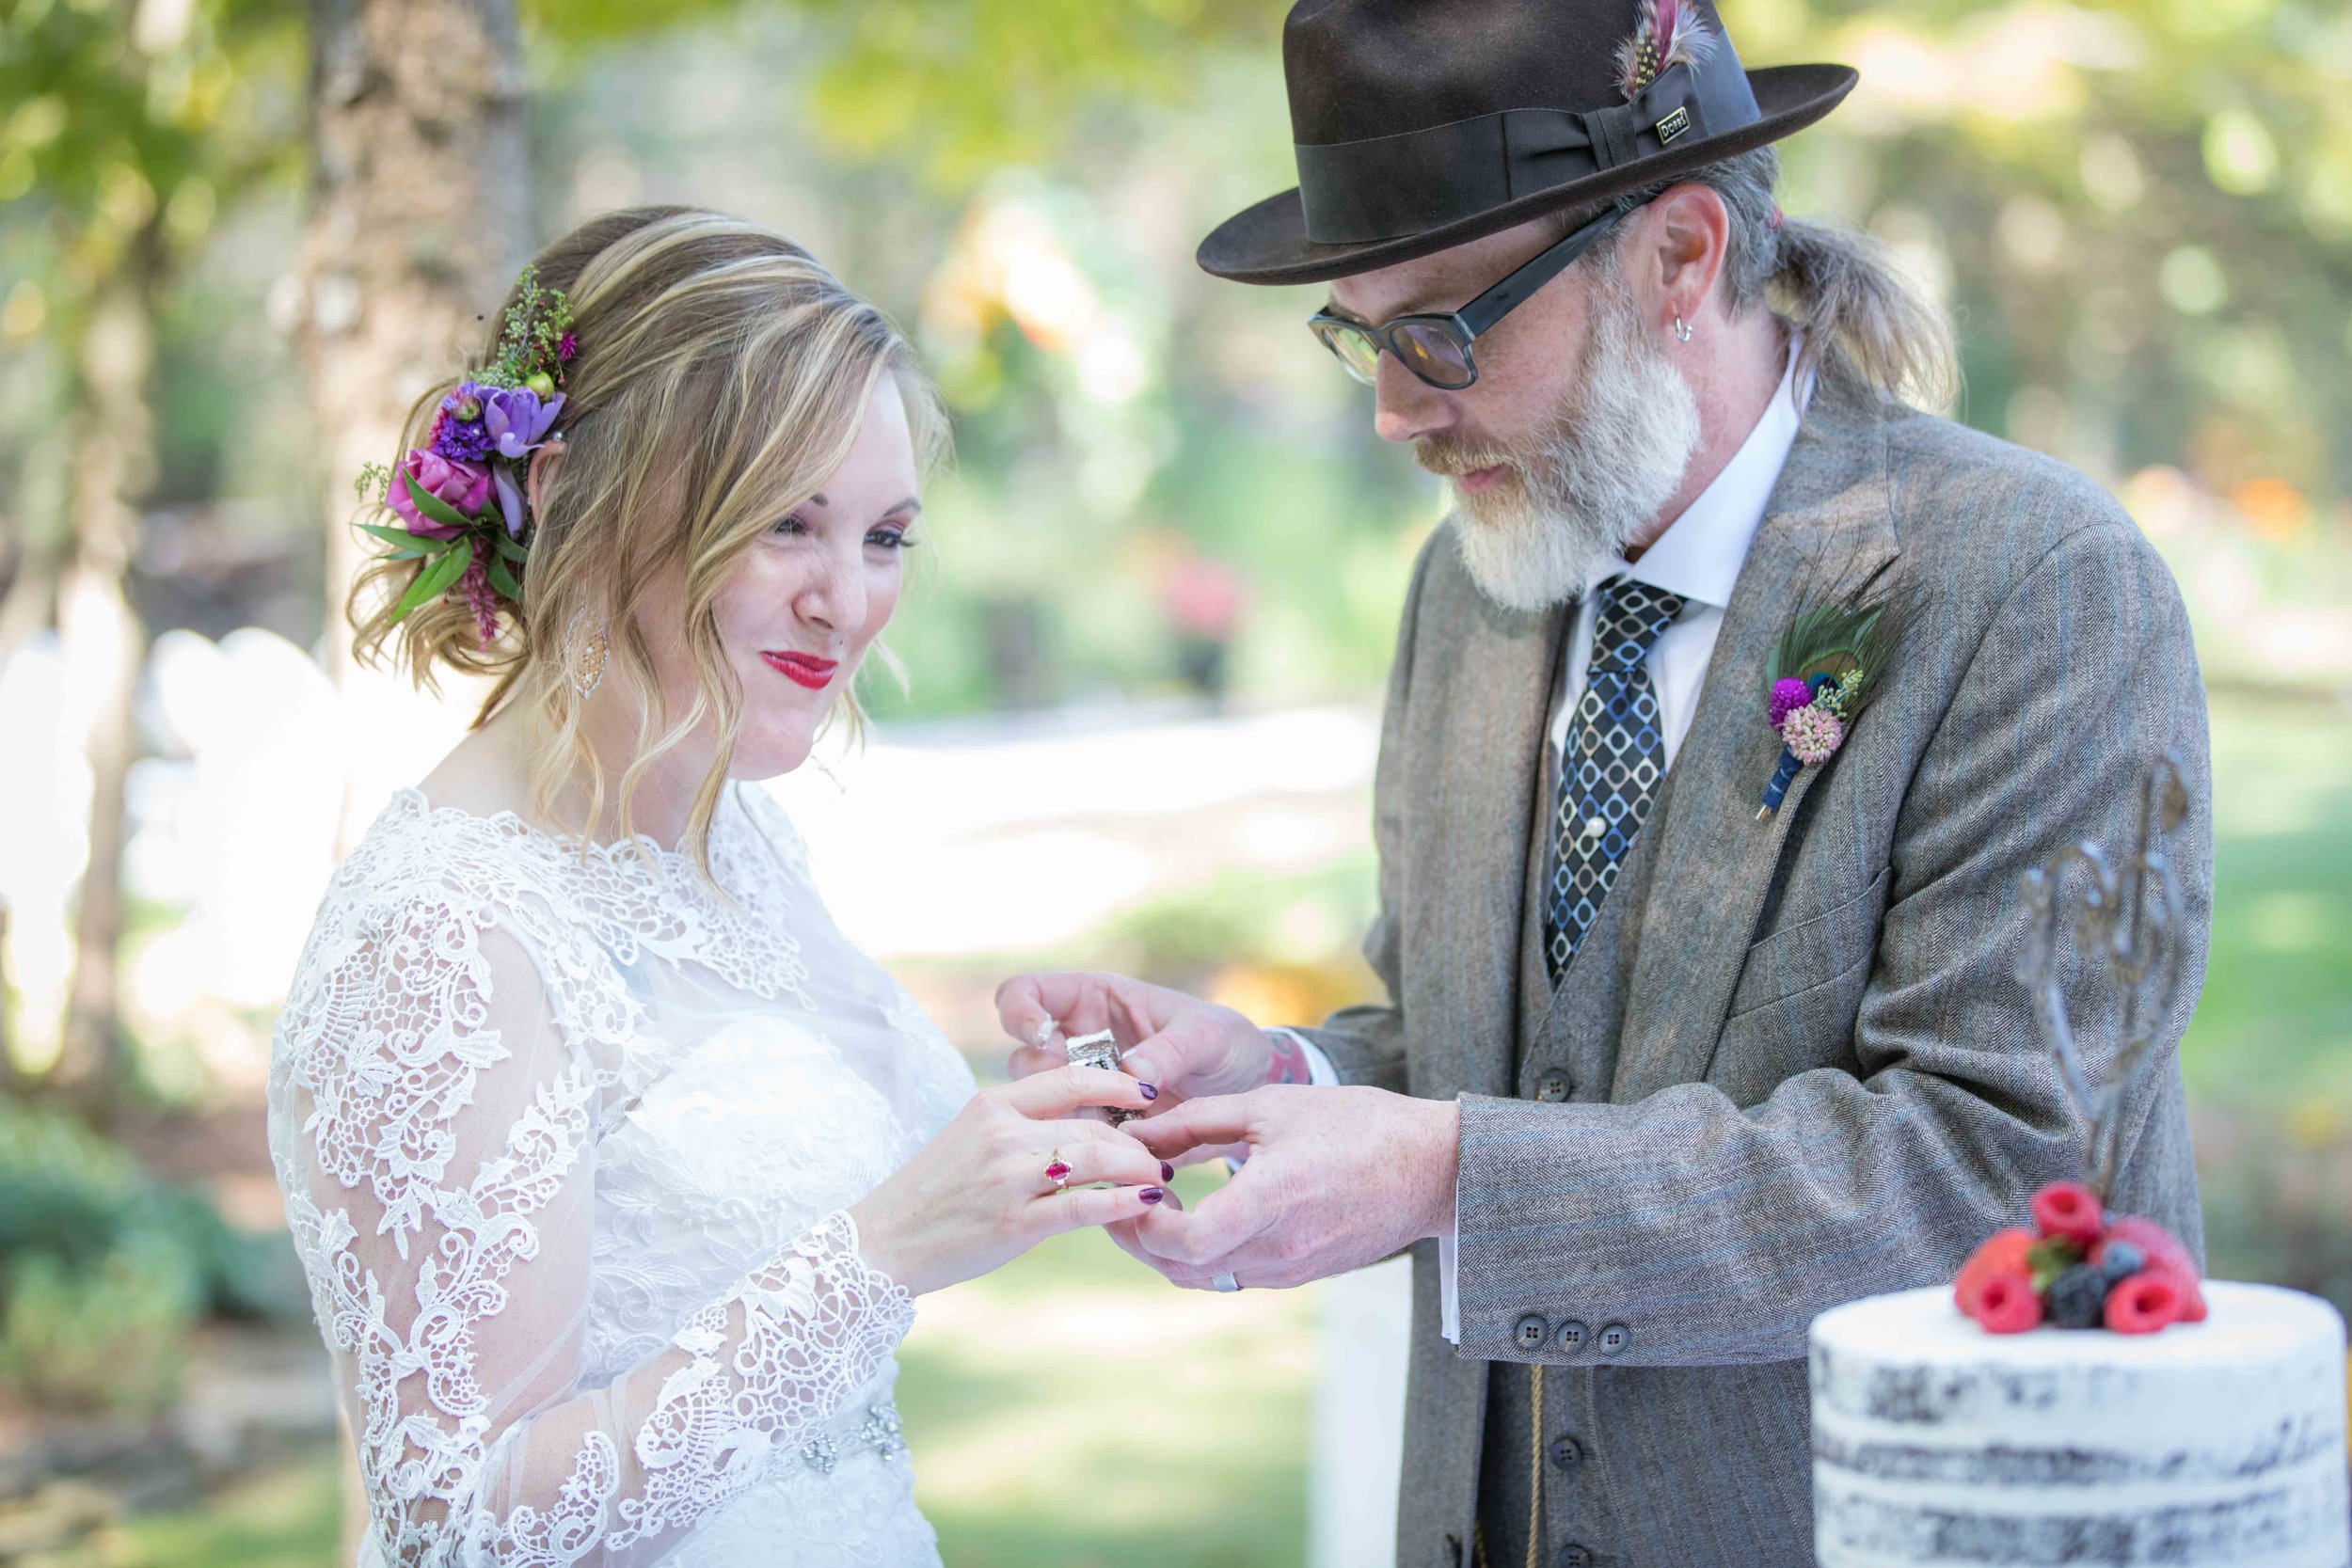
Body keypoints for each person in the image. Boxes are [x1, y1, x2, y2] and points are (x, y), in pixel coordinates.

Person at [998, 2, 2212, 1564]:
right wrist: (1288, 1079)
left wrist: (1445, 1172)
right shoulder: (1475, 587)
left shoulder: (2037, 585)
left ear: (1682, 258)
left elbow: (2001, 1175)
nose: (1394, 408)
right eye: (1363, 335)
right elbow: (1503, 1059)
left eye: (1442, 329)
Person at [266, 206, 1170, 1567]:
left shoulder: (722, 836)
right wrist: (884, 1252)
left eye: (886, 536)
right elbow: (461, 1524)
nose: (849, 601)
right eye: (788, 524)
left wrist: (1059, 1126)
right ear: (575, 499)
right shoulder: (445, 935)